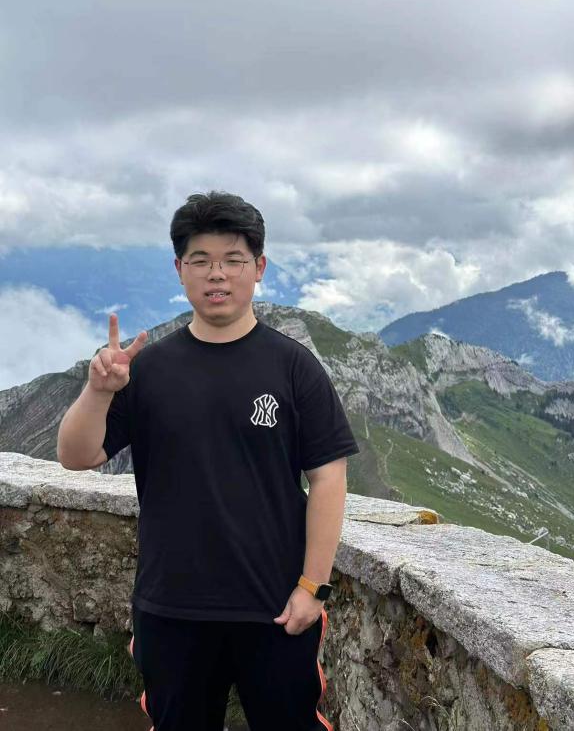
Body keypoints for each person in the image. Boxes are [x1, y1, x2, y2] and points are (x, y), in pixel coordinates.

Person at [57, 191, 360, 731]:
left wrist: (313, 587)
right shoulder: (148, 370)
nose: (217, 274)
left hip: (276, 607)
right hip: (171, 607)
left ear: (258, 268)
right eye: (201, 260)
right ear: (179, 270)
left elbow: (328, 478)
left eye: (233, 260)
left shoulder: (294, 368)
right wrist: (98, 391)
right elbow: (76, 456)